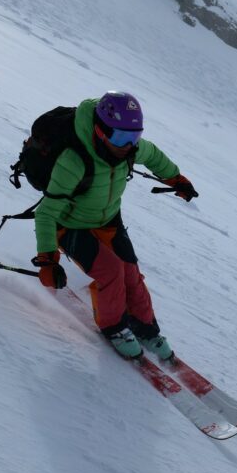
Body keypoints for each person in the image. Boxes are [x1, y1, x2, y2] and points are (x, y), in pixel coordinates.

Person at [30, 91, 198, 360]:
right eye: (121, 138)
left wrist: (176, 179)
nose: (128, 146)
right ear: (100, 130)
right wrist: (48, 260)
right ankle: (114, 328)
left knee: (131, 272)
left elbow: (154, 155)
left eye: (134, 138)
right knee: (111, 271)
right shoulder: (74, 161)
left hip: (108, 220)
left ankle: (145, 327)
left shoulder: (129, 149)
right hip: (70, 225)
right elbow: (47, 213)